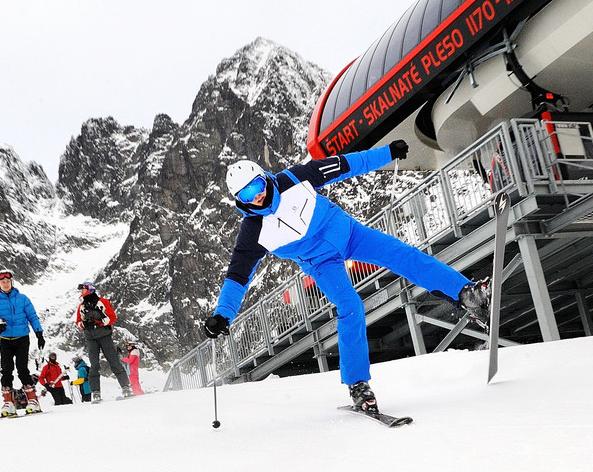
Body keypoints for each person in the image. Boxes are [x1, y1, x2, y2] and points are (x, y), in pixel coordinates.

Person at [205, 141, 492, 415]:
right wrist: (223, 315)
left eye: (256, 186)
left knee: (403, 255)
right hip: (321, 263)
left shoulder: (295, 178)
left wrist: (387, 153)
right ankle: (358, 384)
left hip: (350, 234)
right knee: (350, 307)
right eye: (246, 195)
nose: (256, 196)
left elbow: (346, 165)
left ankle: (465, 293)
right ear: (238, 201)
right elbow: (238, 275)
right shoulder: (253, 232)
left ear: (263, 178)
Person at [0, 268, 46, 417]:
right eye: (2, 282)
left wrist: (39, 333)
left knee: (22, 368)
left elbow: (32, 316)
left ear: (11, 283)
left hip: (22, 338)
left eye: (7, 281)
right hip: (5, 340)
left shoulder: (23, 299)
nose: (5, 284)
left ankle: (32, 400)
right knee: (6, 370)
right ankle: (8, 403)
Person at [75, 282, 133, 403]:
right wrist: (84, 324)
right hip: (91, 338)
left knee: (114, 361)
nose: (81, 292)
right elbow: (78, 322)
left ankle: (125, 387)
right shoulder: (81, 307)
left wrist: (99, 322)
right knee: (94, 365)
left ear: (89, 290)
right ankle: (96, 392)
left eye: (83, 290)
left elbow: (112, 317)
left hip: (104, 336)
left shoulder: (103, 302)